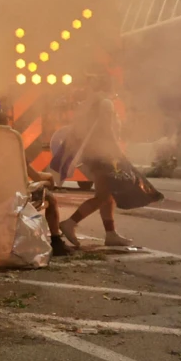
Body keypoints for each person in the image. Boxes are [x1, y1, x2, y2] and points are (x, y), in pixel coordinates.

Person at [55, 95, 134, 248]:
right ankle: (70, 223)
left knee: (106, 197)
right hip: (103, 158)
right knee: (102, 197)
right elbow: (108, 133)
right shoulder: (105, 103)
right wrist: (120, 155)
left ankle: (110, 234)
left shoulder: (92, 104)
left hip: (94, 157)